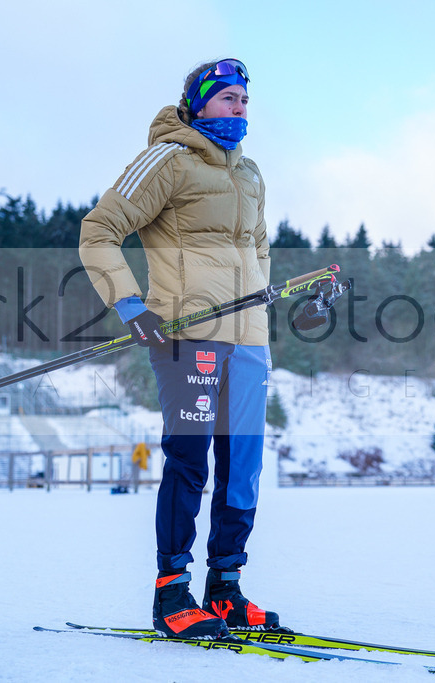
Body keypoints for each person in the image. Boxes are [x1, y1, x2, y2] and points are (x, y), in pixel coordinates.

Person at [78, 58, 279, 639]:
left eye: (244, 99)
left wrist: (271, 310)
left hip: (249, 343)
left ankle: (226, 589)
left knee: (242, 468)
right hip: (186, 337)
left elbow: (260, 253)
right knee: (189, 462)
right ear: (196, 103)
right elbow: (99, 231)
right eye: (226, 99)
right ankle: (172, 592)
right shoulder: (165, 159)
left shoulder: (252, 175)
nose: (238, 108)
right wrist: (130, 305)